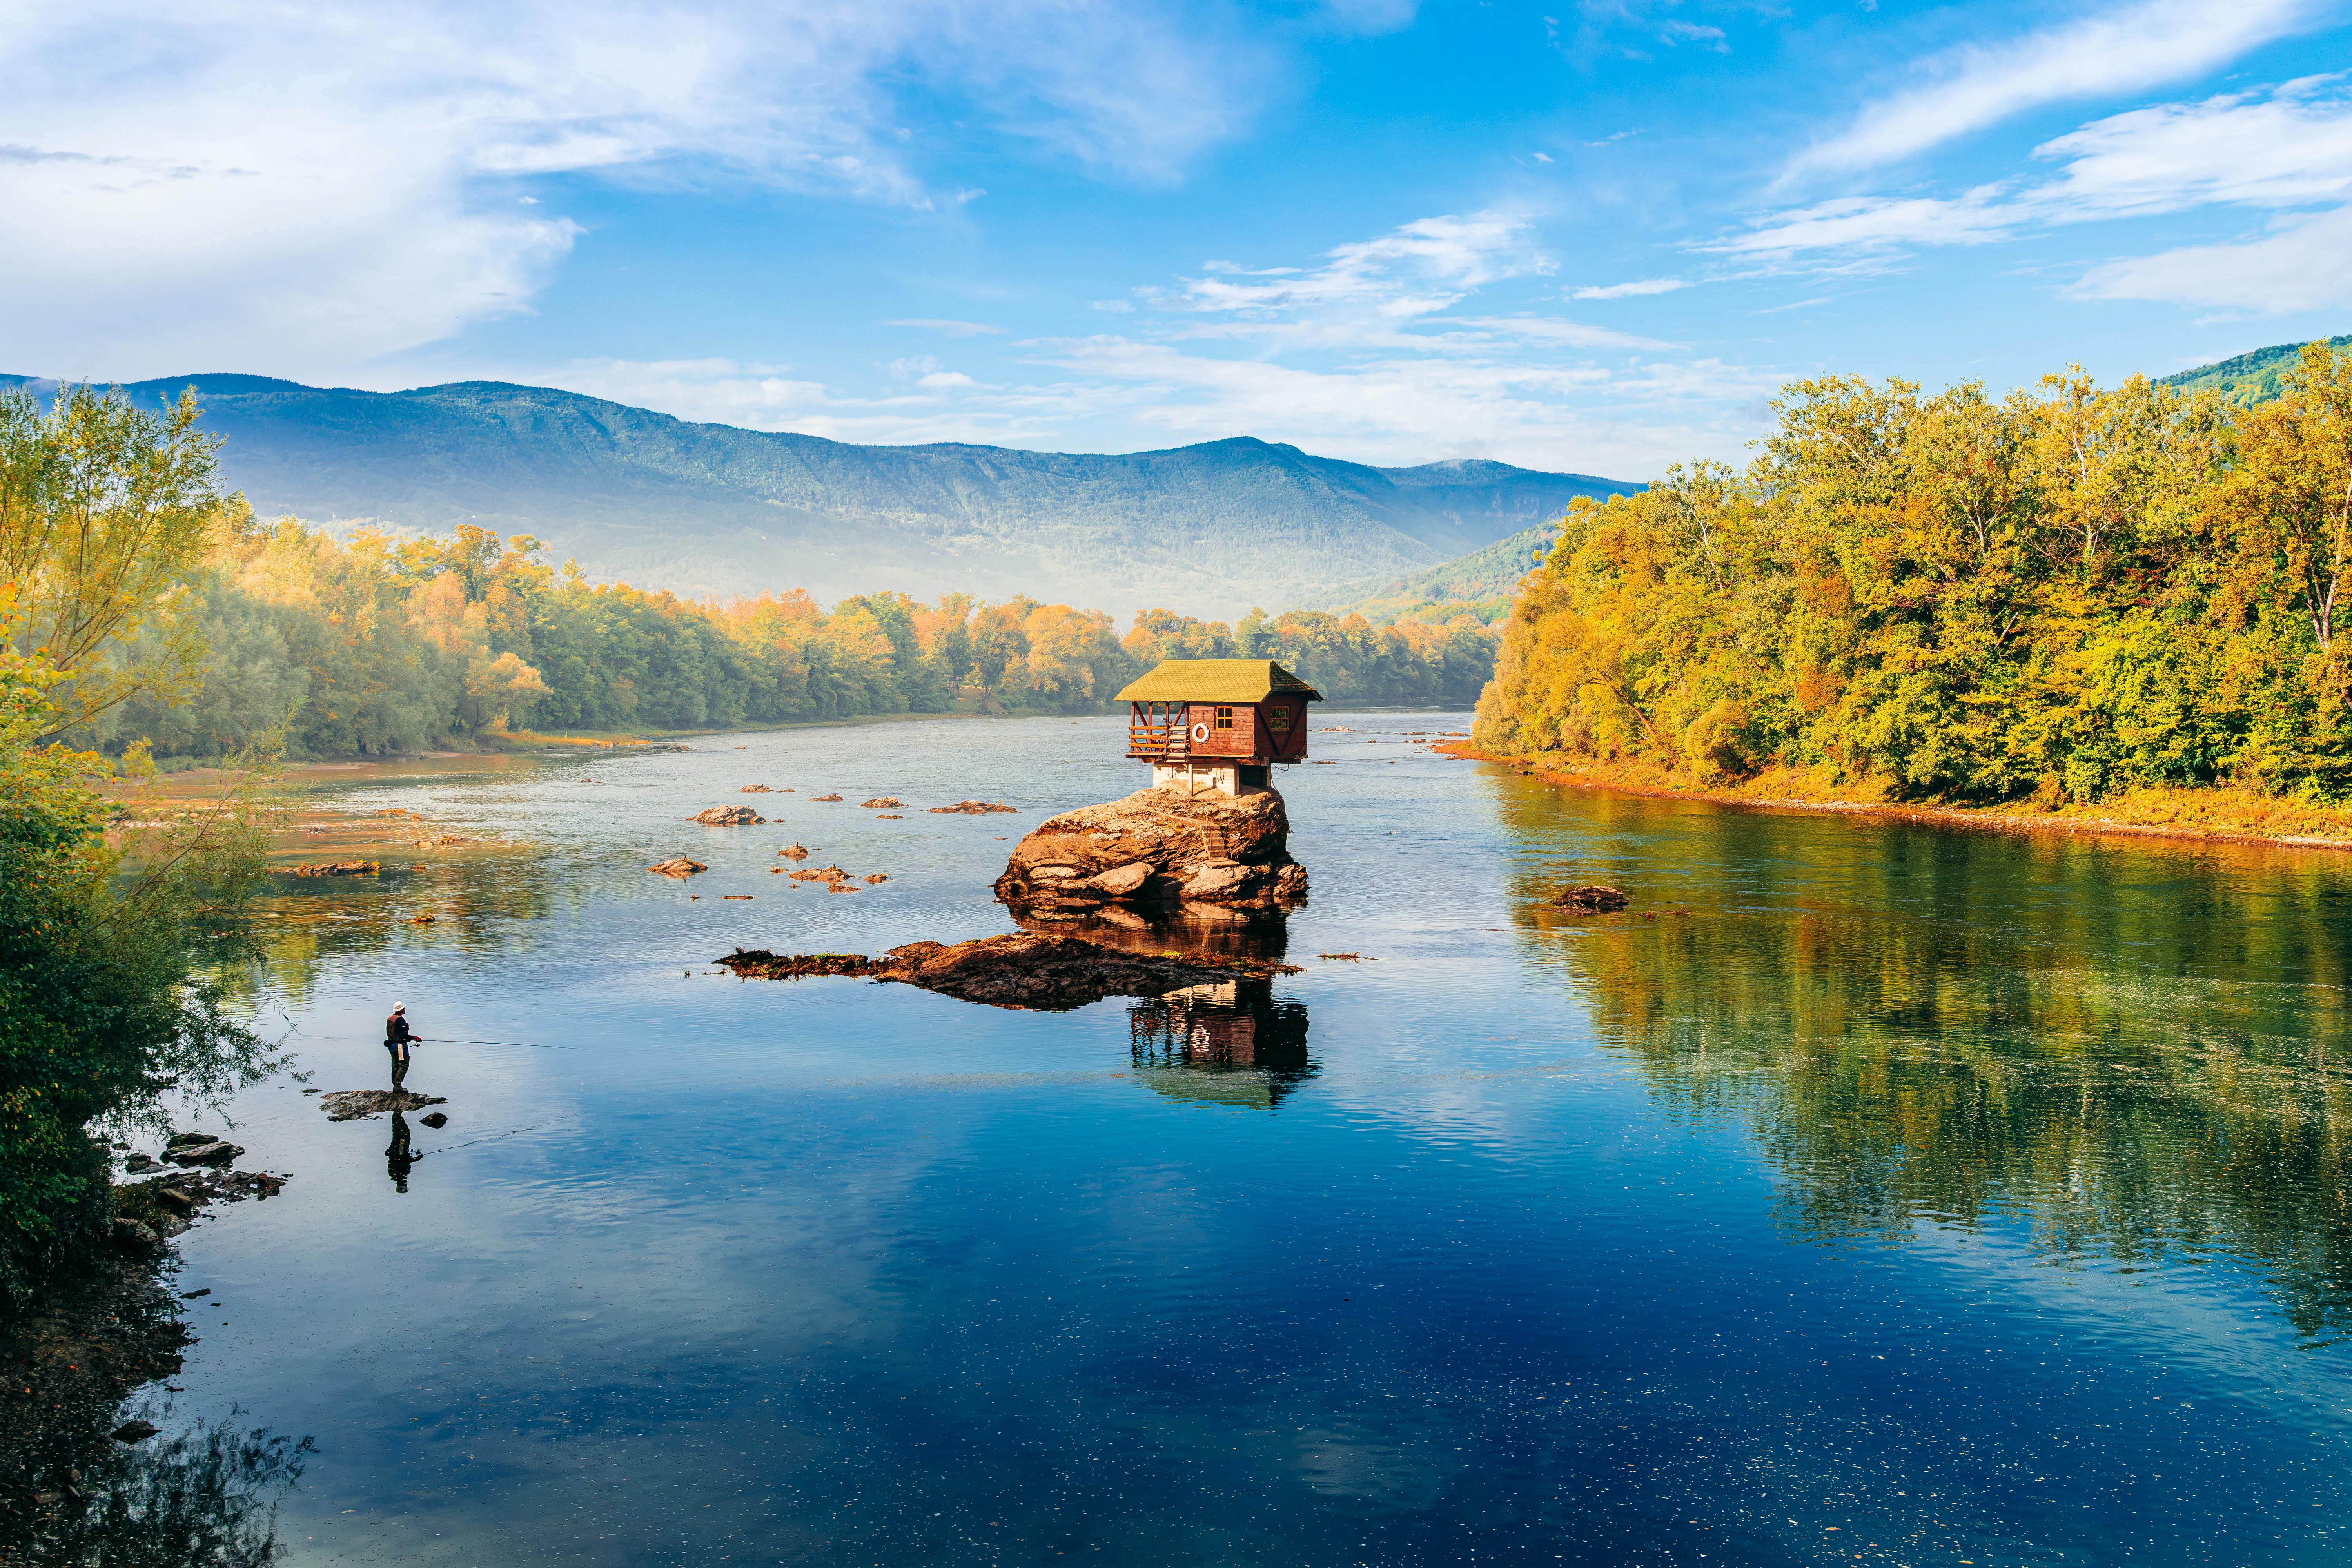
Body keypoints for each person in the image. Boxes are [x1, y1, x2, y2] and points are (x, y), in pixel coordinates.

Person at [385, 1003, 420, 1092]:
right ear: (402, 1010)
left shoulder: (390, 1018)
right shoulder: (400, 1020)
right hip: (399, 1046)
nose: (405, 1009)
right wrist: (415, 1038)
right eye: (404, 1008)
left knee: (395, 1065)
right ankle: (398, 1086)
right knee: (404, 1065)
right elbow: (404, 1035)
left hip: (391, 1044)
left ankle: (396, 1086)